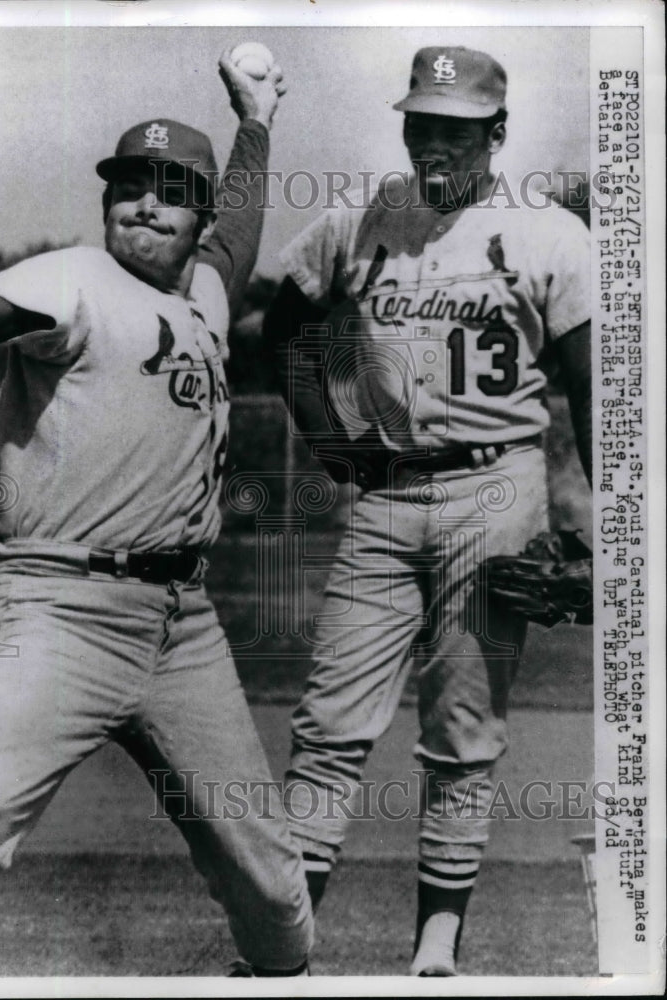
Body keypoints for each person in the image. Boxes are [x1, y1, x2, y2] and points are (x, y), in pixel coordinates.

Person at [0, 49, 314, 978]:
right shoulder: (74, 277)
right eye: (129, 185)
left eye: (172, 191)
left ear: (197, 216)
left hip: (184, 629)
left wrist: (255, 123)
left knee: (277, 895)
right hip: (60, 609)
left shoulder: (205, 297)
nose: (145, 204)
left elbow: (240, 233)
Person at [265, 45, 591, 976]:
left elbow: (589, 384)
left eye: (455, 126)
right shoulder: (361, 217)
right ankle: (285, 942)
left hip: (500, 489)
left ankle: (438, 941)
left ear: (496, 131)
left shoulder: (550, 234)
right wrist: (334, 443)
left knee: (462, 725)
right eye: (420, 122)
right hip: (385, 495)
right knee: (328, 723)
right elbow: (283, 329)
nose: (433, 141)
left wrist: (607, 517)